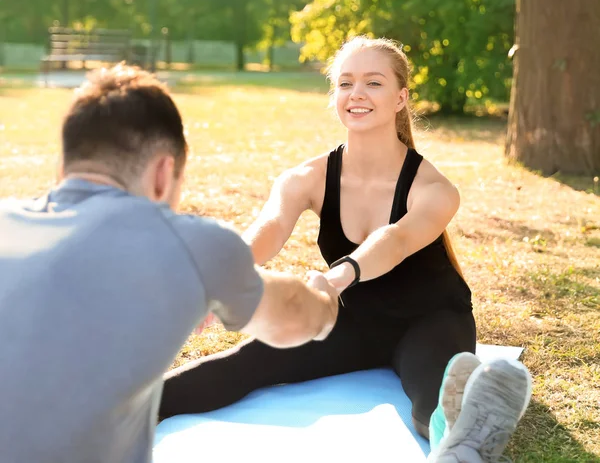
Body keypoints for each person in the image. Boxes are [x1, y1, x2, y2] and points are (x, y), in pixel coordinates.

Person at [0, 65, 339, 463]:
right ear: (164, 174)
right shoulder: (191, 243)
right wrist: (325, 298)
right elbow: (295, 317)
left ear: (62, 167)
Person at [160, 36, 475, 432]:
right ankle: (116, 413)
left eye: (374, 83)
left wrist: (334, 278)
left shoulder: (434, 189)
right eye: (345, 83)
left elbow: (395, 240)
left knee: (433, 412)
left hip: (430, 320)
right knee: (244, 363)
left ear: (400, 98)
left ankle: (469, 434)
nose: (356, 94)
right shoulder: (307, 177)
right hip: (353, 318)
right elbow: (270, 228)